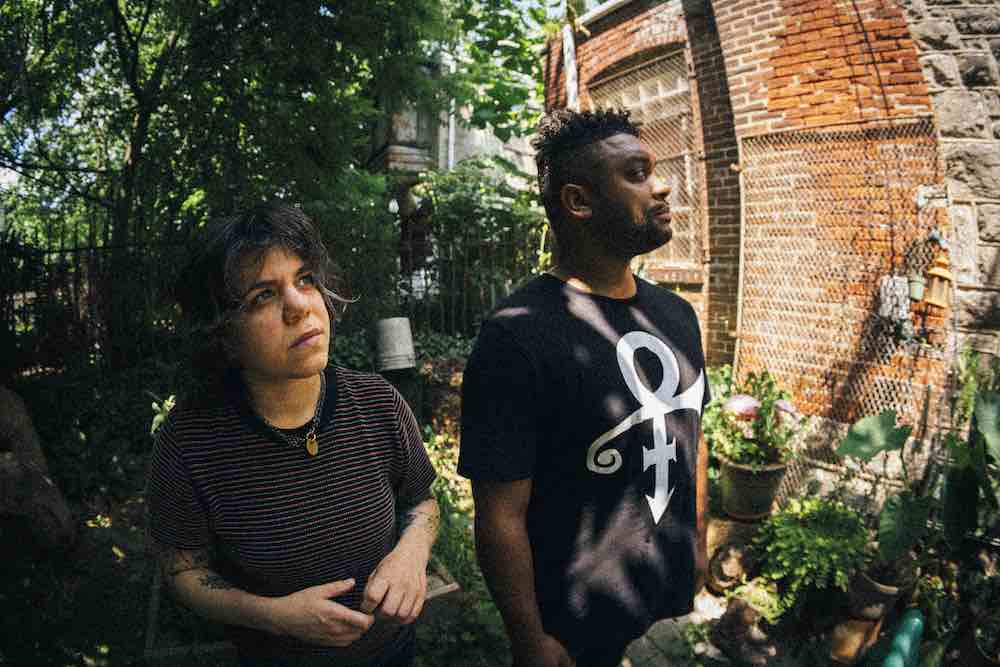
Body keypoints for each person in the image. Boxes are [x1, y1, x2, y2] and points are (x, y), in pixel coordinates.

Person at [458, 109, 710, 667]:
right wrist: (528, 637)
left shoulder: (678, 315)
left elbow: (694, 432)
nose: (662, 185)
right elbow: (499, 514)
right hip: (572, 619)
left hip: (655, 582)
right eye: (636, 174)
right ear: (578, 202)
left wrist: (697, 541)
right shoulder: (517, 335)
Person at [146, 203, 439, 667]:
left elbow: (421, 502)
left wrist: (412, 552)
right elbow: (183, 569)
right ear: (222, 334)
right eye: (263, 295)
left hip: (392, 653)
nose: (300, 305)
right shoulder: (189, 444)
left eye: (304, 280)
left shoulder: (378, 403)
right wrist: (274, 617)